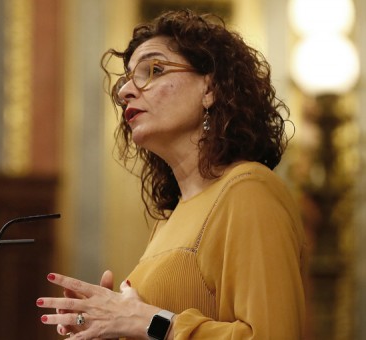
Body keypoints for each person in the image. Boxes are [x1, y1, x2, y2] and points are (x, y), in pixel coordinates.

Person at [36, 9, 307, 339]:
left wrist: (150, 322)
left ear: (211, 87)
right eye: (125, 81)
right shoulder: (170, 218)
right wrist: (106, 324)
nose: (125, 92)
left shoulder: (248, 190)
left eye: (153, 70)